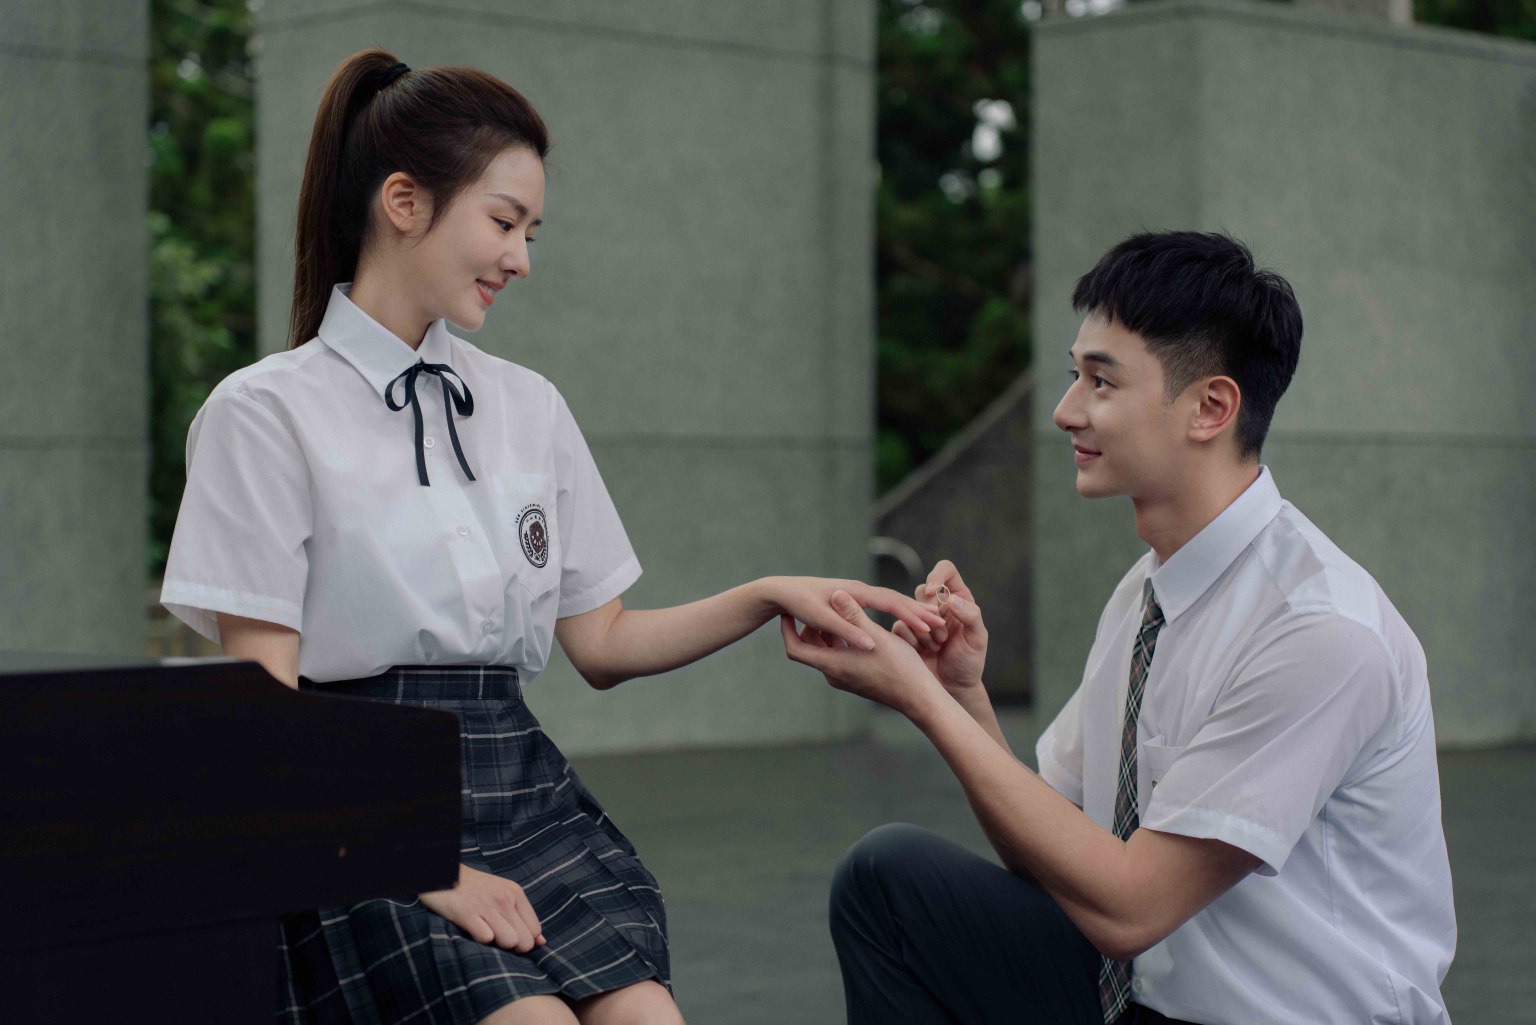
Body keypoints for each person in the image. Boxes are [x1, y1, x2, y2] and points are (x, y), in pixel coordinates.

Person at [159, 49, 943, 1025]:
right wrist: (421, 862)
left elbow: (602, 642)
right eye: (503, 222)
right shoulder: (263, 413)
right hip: (351, 815)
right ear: (403, 201)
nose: (521, 258)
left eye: (530, 231)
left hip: (523, 793)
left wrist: (765, 594)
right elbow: (263, 709)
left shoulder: (528, 406)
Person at [780, 231, 1456, 1025]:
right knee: (889, 884)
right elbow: (1052, 851)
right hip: (1144, 997)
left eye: (1101, 381)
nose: (1066, 411)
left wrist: (918, 703)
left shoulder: (1321, 629)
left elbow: (1132, 907)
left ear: (1210, 408)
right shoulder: (1147, 590)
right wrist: (961, 693)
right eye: (1075, 375)